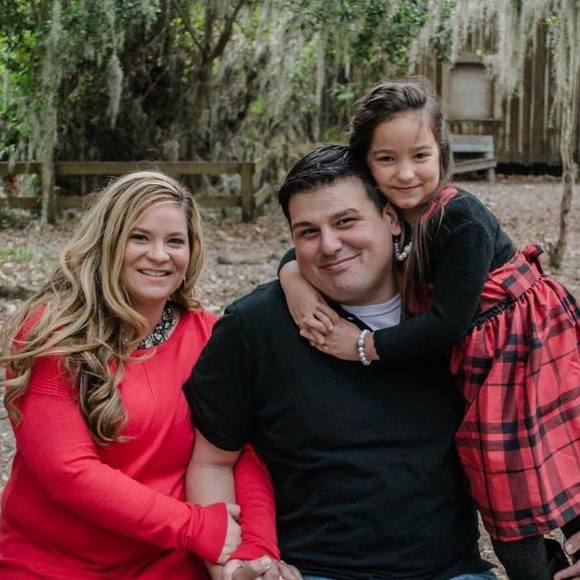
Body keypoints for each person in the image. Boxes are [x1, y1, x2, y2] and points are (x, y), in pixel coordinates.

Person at [279, 79, 580, 579]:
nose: (405, 173)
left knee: (549, 459)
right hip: (485, 358)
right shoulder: (392, 215)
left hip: (526, 346)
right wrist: (294, 281)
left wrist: (363, 345)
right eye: (386, 159)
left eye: (420, 156)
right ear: (365, 165)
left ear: (441, 153)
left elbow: (446, 324)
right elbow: (308, 245)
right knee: (502, 483)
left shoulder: (459, 217)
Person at [184, 144, 495, 579]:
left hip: (451, 571)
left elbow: (541, 417)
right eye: (308, 232)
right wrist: (230, 564)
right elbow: (213, 461)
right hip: (312, 569)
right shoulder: (254, 327)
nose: (329, 245)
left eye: (346, 221)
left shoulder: (453, 314)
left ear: (391, 218)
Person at [0, 171, 279, 578]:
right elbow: (68, 472)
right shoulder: (55, 333)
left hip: (169, 562)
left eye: (175, 241)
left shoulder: (211, 336)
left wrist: (255, 548)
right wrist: (195, 527)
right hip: (55, 564)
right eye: (140, 237)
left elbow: (241, 452)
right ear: (108, 241)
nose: (159, 255)